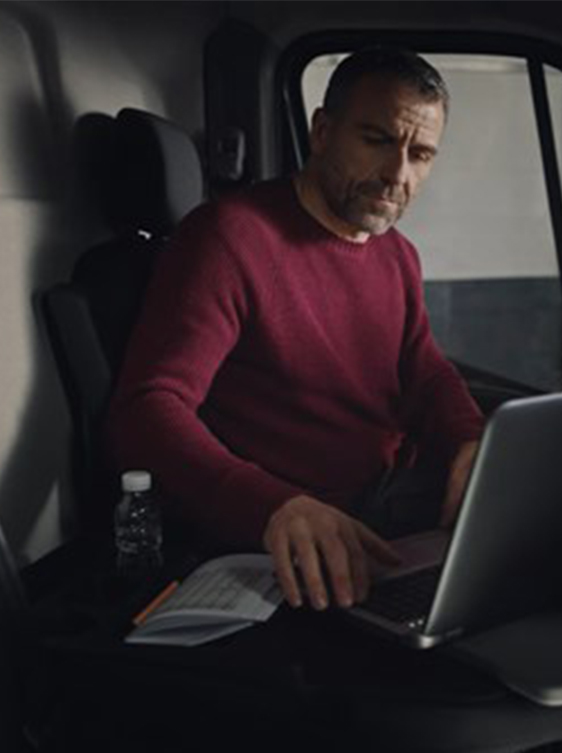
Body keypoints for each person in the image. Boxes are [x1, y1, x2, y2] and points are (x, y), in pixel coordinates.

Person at [107, 48, 484, 613]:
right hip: (296, 526)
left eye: (421, 153)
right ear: (323, 131)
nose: (397, 175)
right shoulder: (228, 238)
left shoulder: (396, 254)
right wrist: (273, 507)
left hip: (389, 500)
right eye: (378, 140)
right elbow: (147, 410)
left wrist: (470, 443)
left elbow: (421, 367)